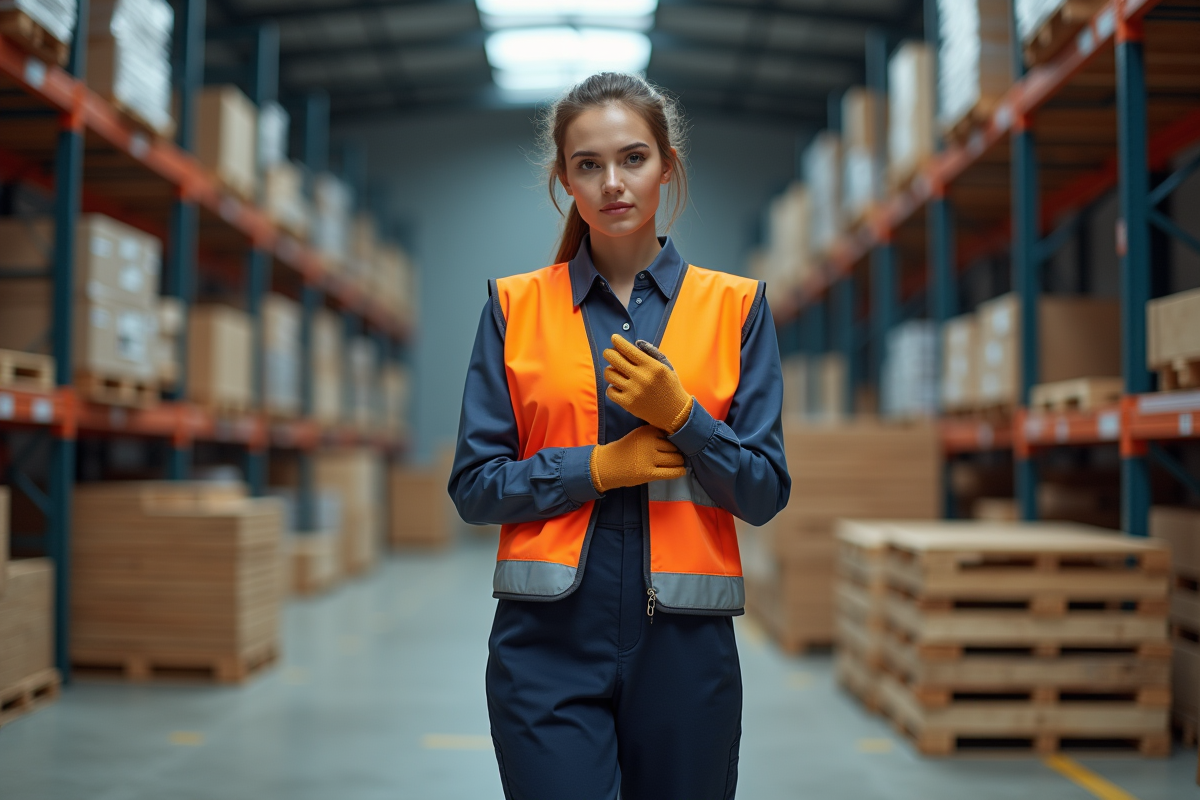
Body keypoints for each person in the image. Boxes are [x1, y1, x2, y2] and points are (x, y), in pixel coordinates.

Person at [448, 72, 790, 800]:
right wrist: (598, 467)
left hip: (686, 653)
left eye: (633, 158)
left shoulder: (736, 308)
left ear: (667, 166)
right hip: (545, 647)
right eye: (588, 164)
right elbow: (475, 489)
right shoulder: (514, 308)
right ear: (563, 180)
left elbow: (762, 492)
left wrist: (685, 419)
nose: (613, 182)